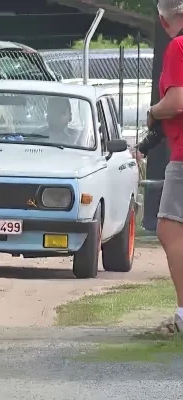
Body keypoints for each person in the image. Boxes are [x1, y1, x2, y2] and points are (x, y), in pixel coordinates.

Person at [136, 0, 183, 331]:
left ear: (164, 21)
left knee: (169, 228)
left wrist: (153, 111)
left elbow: (177, 102)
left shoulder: (178, 45)